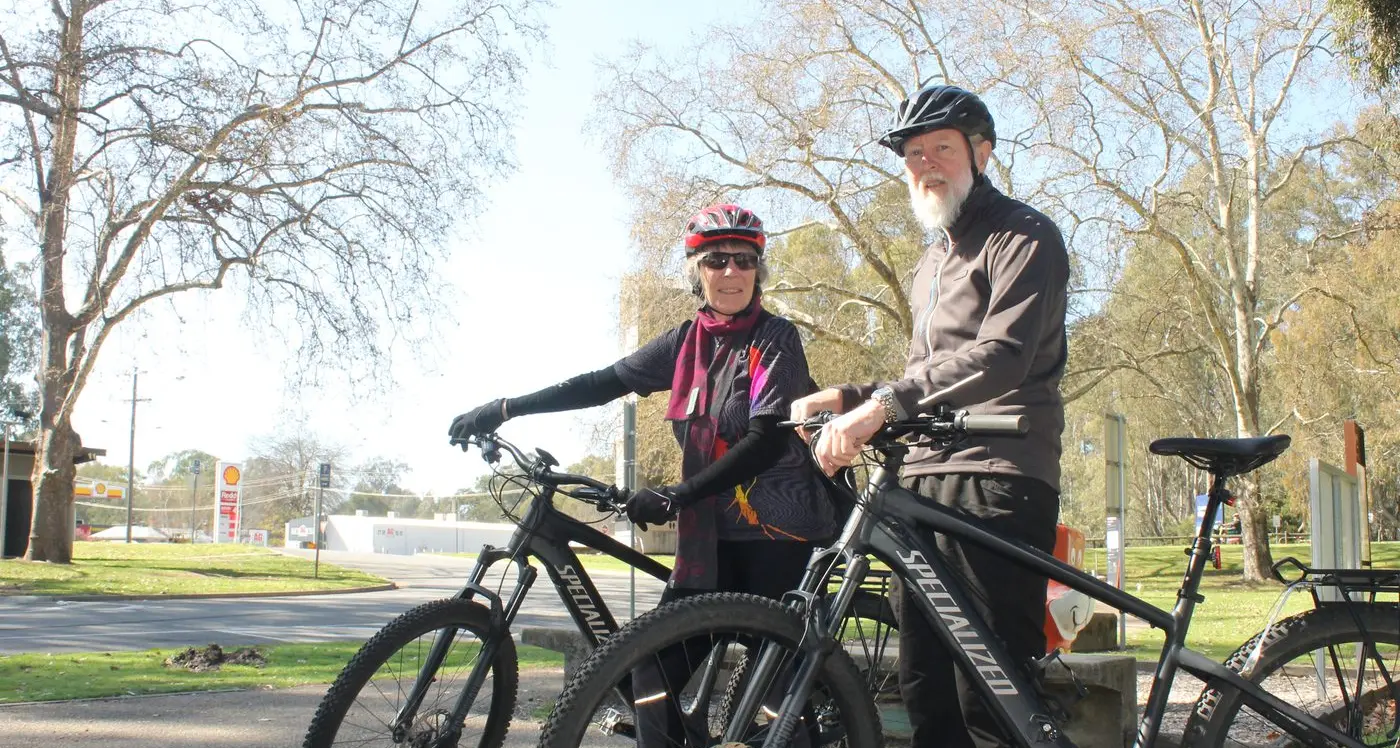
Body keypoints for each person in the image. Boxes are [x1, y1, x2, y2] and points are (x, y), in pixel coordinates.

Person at [448, 203, 836, 744]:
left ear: (758, 271)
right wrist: (507, 407)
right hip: (709, 541)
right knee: (650, 672)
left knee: (778, 698)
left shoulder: (775, 338)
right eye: (716, 260)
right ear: (697, 272)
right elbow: (602, 383)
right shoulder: (684, 343)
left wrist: (679, 494)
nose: (730, 271)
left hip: (779, 534)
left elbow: (766, 438)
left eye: (744, 260)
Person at [790, 84, 1070, 748]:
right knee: (925, 690)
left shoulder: (1023, 235)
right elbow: (927, 373)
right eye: (914, 155)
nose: (926, 165)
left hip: (996, 473)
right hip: (920, 479)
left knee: (993, 701)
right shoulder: (931, 261)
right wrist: (848, 397)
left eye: (941, 148)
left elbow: (1000, 356)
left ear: (982, 153)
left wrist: (882, 406)